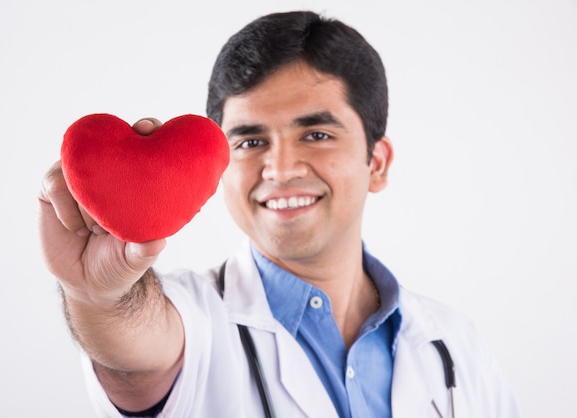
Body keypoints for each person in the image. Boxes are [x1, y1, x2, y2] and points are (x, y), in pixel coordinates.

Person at [38, 10, 522, 418]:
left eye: (316, 134)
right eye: (250, 141)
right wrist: (100, 295)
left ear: (376, 163)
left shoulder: (457, 347)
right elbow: (135, 351)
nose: (281, 169)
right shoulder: (191, 321)